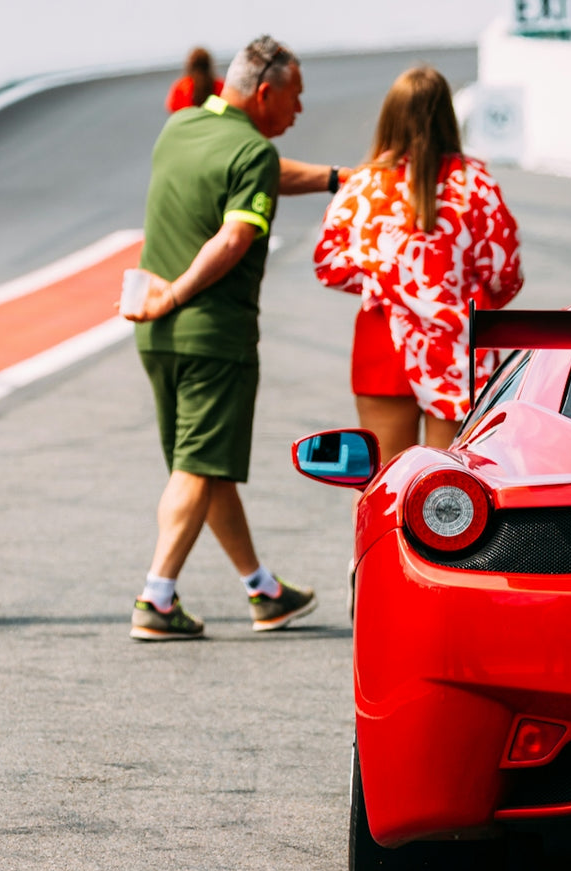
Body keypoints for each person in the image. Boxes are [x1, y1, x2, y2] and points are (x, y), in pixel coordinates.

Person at [127, 35, 344, 641]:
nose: (298, 112)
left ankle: (264, 591)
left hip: (156, 337)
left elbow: (266, 175)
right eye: (295, 98)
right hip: (212, 336)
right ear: (267, 92)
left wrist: (334, 178)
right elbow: (232, 238)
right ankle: (156, 596)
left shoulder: (180, 128)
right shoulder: (253, 154)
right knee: (199, 467)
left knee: (205, 468)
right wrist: (180, 292)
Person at [314, 65, 522, 464]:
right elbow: (504, 273)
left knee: (382, 484)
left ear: (389, 117)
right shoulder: (476, 184)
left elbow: (328, 262)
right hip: (461, 350)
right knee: (454, 486)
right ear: (447, 116)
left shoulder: (363, 185)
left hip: (384, 343)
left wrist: (386, 282)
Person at [165, 48, 223, 114]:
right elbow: (225, 108)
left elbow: (172, 109)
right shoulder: (220, 86)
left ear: (190, 65)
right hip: (213, 122)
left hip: (187, 123)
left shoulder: (181, 87)